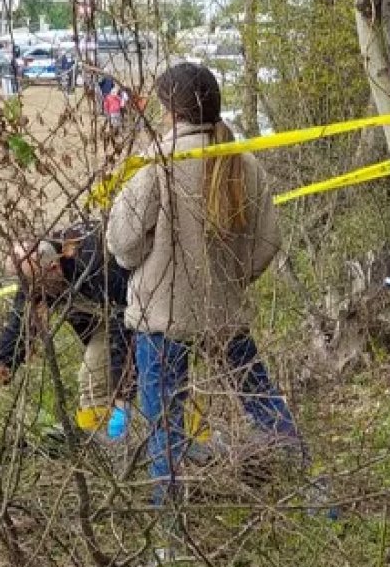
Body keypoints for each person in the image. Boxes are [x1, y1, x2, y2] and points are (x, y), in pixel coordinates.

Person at [106, 62, 303, 506]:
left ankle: (169, 527)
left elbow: (122, 242)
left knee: (165, 427)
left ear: (172, 114)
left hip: (163, 317)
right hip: (225, 311)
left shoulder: (157, 163)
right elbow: (267, 240)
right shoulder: (245, 162)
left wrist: (140, 262)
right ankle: (308, 484)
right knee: (262, 400)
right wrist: (236, 278)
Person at [0, 221, 136, 438]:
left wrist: (122, 399)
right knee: (91, 377)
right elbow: (19, 329)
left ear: (53, 268)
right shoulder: (35, 274)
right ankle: (102, 443)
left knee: (142, 378)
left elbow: (124, 327)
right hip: (104, 316)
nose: (34, 294)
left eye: (37, 286)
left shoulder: (95, 261)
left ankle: (143, 440)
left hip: (140, 308)